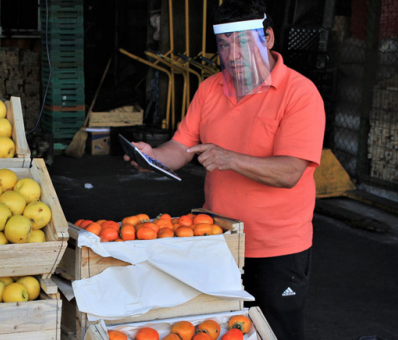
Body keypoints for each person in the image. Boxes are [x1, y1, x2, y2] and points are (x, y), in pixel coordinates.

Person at [124, 1, 325, 339]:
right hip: (218, 240)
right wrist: (153, 156)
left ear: (269, 38)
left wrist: (229, 158)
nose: (232, 54)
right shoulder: (210, 88)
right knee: (217, 330)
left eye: (242, 41)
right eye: (224, 44)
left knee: (277, 332)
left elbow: (290, 172)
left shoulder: (300, 94)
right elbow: (182, 147)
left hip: (277, 249)